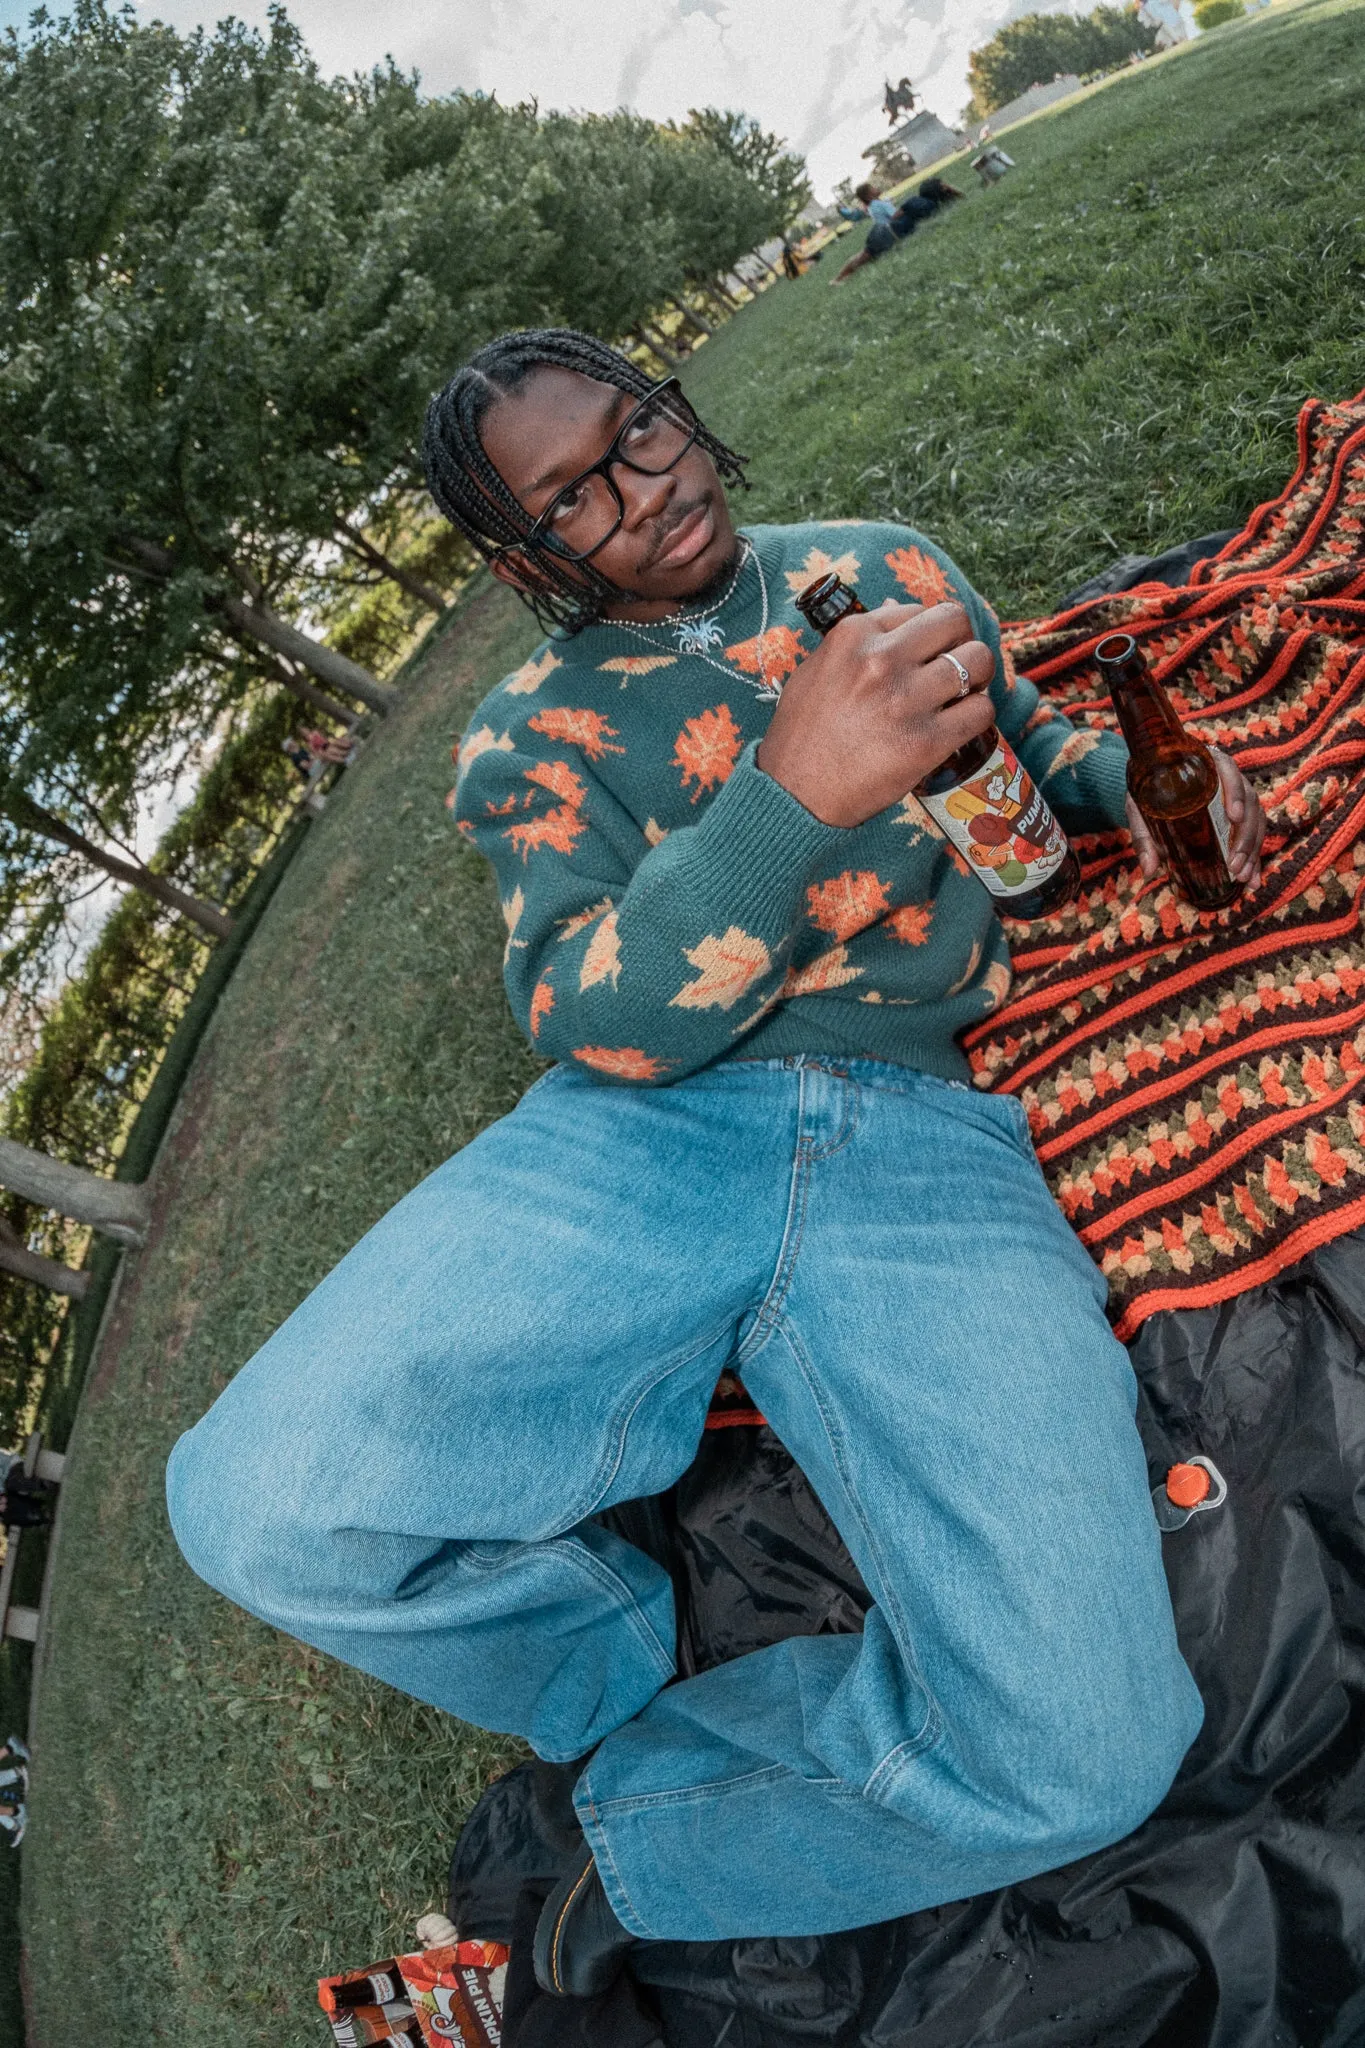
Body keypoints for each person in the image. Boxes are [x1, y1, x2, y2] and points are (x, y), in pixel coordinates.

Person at [167, 328, 1265, 1997]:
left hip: (925, 1146)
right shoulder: (526, 740)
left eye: (646, 425)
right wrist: (786, 792)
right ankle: (614, 1656)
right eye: (578, 489)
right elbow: (591, 1016)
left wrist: (1149, 786)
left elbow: (1029, 753)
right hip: (645, 1137)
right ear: (518, 552)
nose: (651, 482)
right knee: (248, 1504)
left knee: (1088, 1748)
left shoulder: (876, 566)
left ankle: (635, 1830)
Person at [833, 177, 965, 284]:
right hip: (888, 231)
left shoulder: (927, 204)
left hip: (888, 232)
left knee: (865, 256)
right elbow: (897, 214)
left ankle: (840, 278)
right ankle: (839, 279)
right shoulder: (924, 204)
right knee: (865, 256)